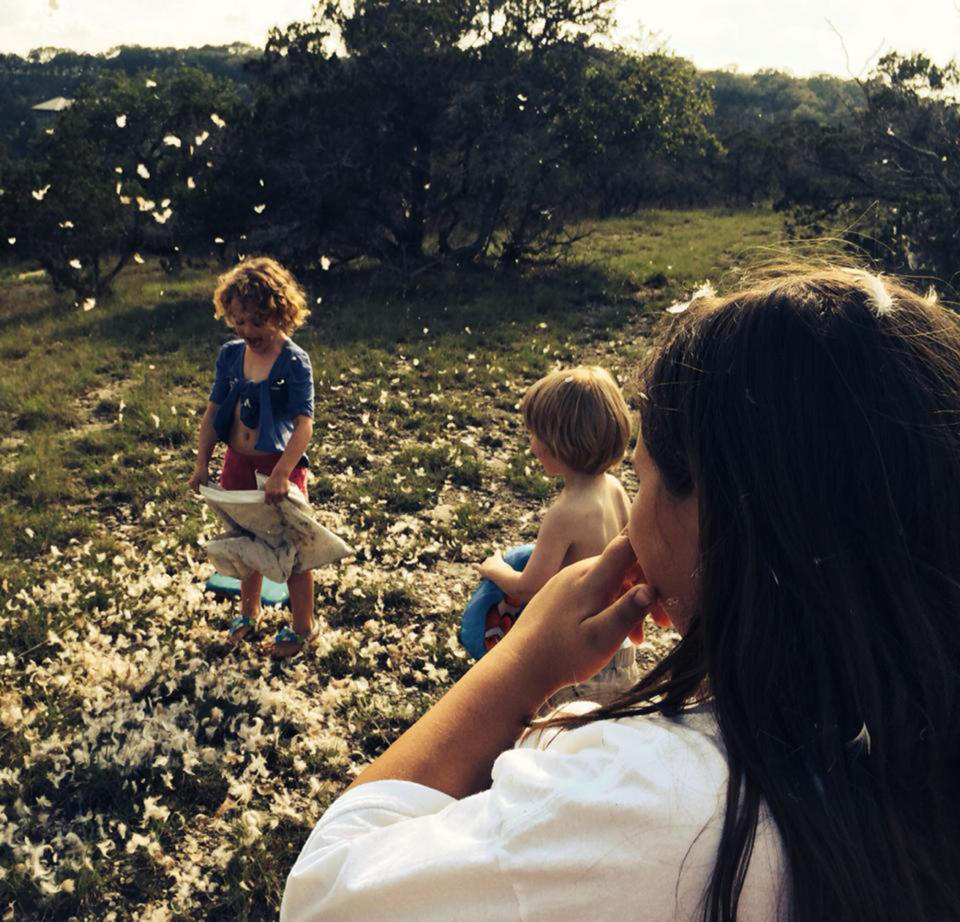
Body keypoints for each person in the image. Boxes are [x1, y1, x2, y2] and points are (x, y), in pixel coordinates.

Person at [281, 265, 960, 921]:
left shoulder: (644, 809)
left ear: (721, 515)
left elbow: (326, 897)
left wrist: (522, 664)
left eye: (645, 480)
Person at [188, 256, 316, 659]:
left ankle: (303, 627)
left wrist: (282, 473)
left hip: (277, 469)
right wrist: (202, 462)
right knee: (246, 541)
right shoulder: (230, 355)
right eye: (239, 321)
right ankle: (249, 611)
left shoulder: (294, 361)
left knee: (292, 549)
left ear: (280, 314)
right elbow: (213, 412)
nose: (247, 331)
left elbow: (303, 424)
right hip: (237, 464)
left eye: (257, 321)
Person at [471, 366, 631, 666]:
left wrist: (494, 569)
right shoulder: (615, 488)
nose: (532, 445)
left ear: (561, 444)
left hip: (577, 652)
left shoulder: (564, 514)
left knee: (570, 714)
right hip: (617, 640)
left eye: (536, 435)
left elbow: (528, 587)